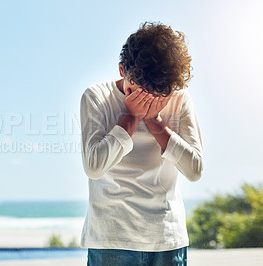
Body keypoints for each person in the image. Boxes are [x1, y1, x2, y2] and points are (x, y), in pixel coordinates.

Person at [79, 21, 203, 266]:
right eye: (140, 91)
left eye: (159, 95)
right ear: (122, 70)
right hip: (112, 240)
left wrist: (155, 122)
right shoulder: (96, 97)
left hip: (167, 238)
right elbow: (94, 166)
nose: (150, 100)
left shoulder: (179, 99)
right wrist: (132, 117)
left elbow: (195, 170)